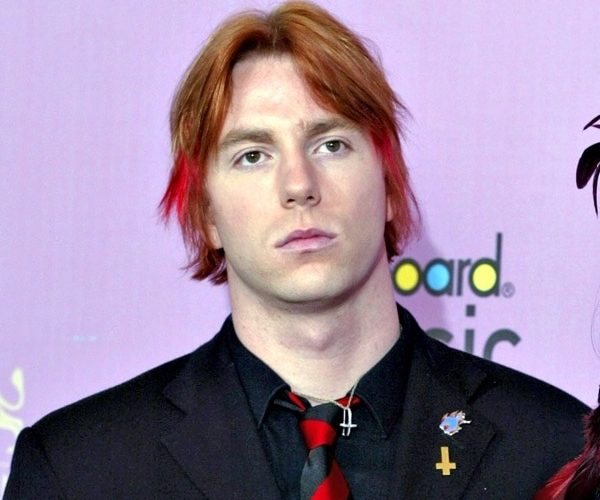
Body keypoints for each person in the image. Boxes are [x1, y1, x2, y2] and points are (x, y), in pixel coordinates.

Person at [4, 2, 588, 499]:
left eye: (331, 144)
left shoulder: (556, 449)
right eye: (252, 155)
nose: (298, 184)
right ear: (206, 215)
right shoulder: (79, 469)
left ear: (389, 185)